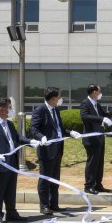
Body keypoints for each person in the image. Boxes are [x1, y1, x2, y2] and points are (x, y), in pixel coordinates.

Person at [0, 98, 40, 223]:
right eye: (9, 107)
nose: (11, 110)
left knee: (10, 190)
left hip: (12, 163)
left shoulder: (9, 124)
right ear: (2, 109)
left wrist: (30, 142)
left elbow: (16, 138)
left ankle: (11, 213)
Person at [30, 86, 82, 215]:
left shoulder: (56, 110)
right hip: (47, 151)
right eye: (59, 97)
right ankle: (44, 205)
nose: (60, 99)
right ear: (53, 98)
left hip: (58, 149)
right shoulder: (40, 110)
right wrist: (41, 138)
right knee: (45, 179)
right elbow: (34, 129)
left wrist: (71, 133)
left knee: (55, 179)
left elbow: (60, 130)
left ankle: (54, 204)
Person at [80, 84, 112, 195]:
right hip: (91, 138)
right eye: (99, 91)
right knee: (92, 162)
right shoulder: (85, 103)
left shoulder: (97, 104)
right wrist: (102, 119)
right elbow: (85, 116)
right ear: (94, 92)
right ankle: (89, 185)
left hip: (99, 137)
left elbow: (105, 115)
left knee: (99, 162)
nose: (100, 94)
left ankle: (98, 184)